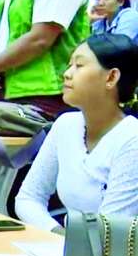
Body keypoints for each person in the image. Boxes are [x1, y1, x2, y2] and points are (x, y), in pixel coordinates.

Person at [15, 34, 138, 232]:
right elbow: (28, 198)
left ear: (111, 77)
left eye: (79, 66)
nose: (67, 74)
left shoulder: (132, 139)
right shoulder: (66, 125)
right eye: (69, 65)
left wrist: (68, 243)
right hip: (69, 244)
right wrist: (56, 233)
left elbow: (109, 231)